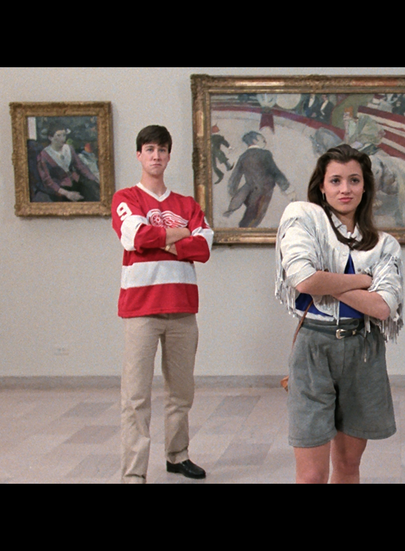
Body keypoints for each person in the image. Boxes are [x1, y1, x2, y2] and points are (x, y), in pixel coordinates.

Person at [275, 144, 403, 484]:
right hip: (313, 347)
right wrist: (362, 280)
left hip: (363, 349)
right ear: (322, 186)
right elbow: (303, 280)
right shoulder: (303, 222)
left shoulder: (384, 244)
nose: (345, 189)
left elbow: (382, 307)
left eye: (354, 180)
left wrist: (325, 281)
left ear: (365, 187)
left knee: (347, 466)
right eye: (335, 180)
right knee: (311, 476)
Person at [110, 125, 213, 483]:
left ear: (169, 155)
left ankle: (177, 455)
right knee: (136, 395)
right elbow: (136, 236)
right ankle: (134, 471)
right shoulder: (126, 198)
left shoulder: (187, 204)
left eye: (162, 150)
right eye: (150, 149)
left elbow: (204, 247)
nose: (156, 156)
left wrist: (161, 241)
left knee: (181, 391)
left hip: (182, 308)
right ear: (139, 154)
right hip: (141, 308)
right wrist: (180, 235)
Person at [223, 130, 295, 227]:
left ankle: (240, 226)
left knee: (251, 211)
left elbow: (235, 176)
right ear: (255, 141)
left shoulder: (243, 156)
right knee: (257, 215)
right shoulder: (265, 154)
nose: (265, 141)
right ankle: (244, 230)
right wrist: (287, 188)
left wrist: (232, 191)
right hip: (264, 189)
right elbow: (275, 172)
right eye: (262, 139)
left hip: (249, 189)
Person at [34, 122, 100, 202]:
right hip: (60, 189)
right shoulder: (44, 155)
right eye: (58, 135)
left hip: (76, 182)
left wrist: (94, 179)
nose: (62, 138)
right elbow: (47, 180)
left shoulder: (69, 148)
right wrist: (67, 193)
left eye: (64, 135)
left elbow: (81, 166)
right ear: (50, 137)